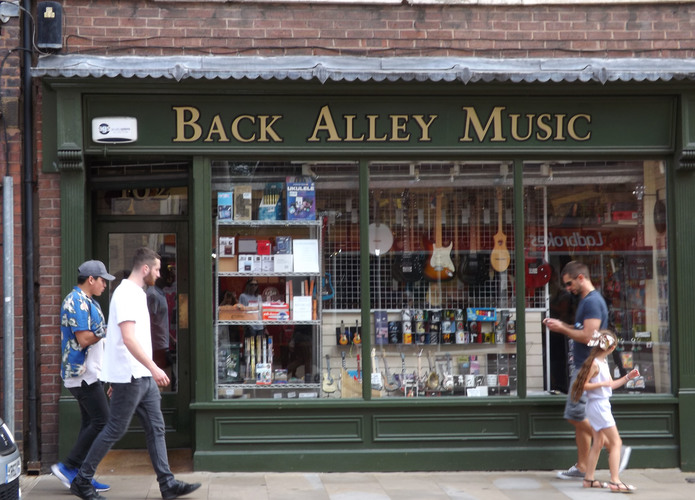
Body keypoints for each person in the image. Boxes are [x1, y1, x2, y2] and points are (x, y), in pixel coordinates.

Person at [69, 247, 200, 500]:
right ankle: (82, 480)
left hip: (139, 376)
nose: (160, 275)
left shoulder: (137, 293)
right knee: (114, 429)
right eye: (158, 269)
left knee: (156, 427)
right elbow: (127, 339)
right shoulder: (127, 294)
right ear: (146, 268)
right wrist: (153, 367)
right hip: (132, 376)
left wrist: (125, 373)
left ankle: (167, 484)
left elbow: (121, 339)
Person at [543, 260, 629, 480]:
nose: (568, 288)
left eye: (570, 283)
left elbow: (590, 337)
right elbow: (581, 329)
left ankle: (614, 446)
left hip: (587, 367)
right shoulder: (584, 300)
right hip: (583, 365)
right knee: (580, 416)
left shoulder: (592, 302)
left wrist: (562, 328)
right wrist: (562, 325)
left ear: (581, 278)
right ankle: (582, 467)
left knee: (574, 415)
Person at [52, 260, 115, 493]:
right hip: (82, 375)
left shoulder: (88, 302)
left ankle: (81, 476)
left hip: (90, 374)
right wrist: (107, 330)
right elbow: (84, 339)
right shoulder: (76, 301)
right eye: (102, 281)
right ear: (91, 279)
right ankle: (69, 467)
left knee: (91, 422)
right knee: (103, 421)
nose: (105, 285)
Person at [572, 330, 639, 492]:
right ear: (612, 347)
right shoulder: (596, 363)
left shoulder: (601, 362)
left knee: (599, 442)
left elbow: (610, 385)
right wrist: (600, 385)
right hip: (599, 407)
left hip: (598, 406)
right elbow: (583, 386)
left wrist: (628, 377)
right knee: (616, 443)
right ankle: (615, 481)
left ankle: (589, 479)